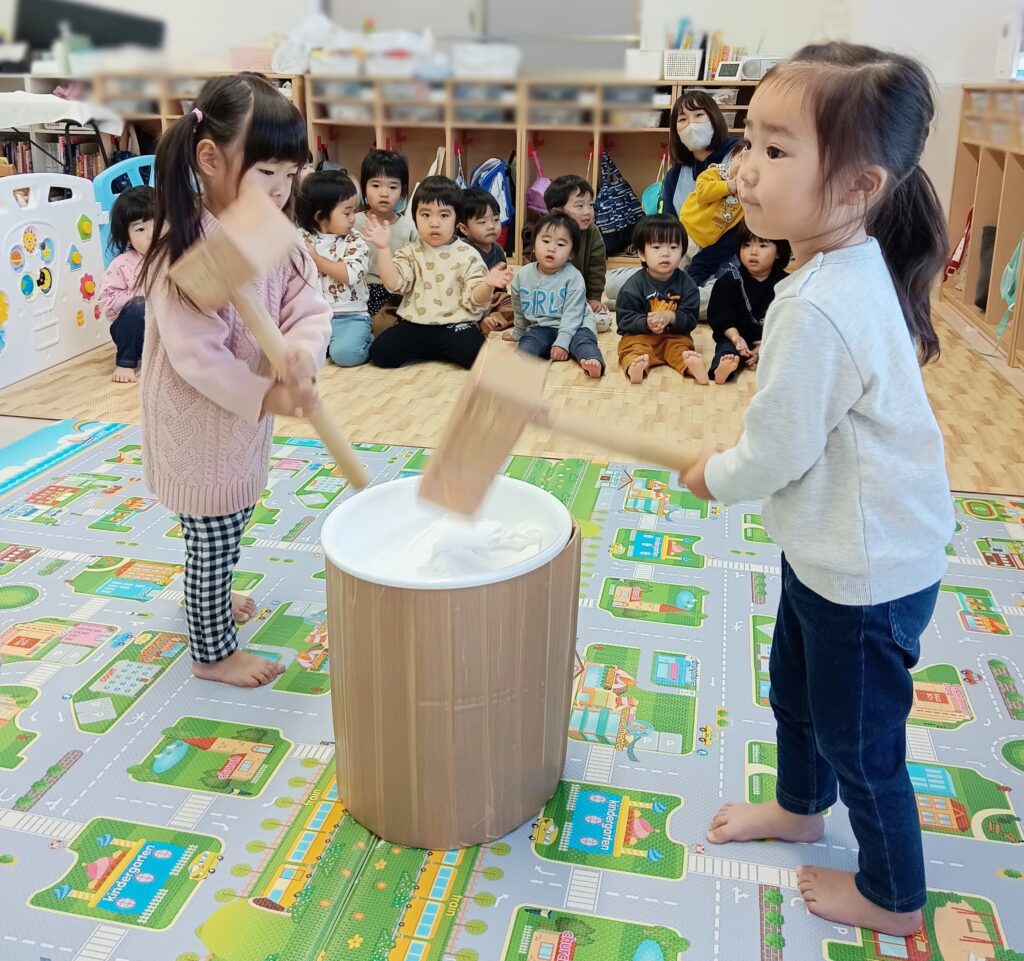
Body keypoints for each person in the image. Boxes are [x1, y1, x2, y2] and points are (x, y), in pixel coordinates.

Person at [682, 44, 954, 936]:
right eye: (748, 140)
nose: (743, 167)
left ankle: (894, 895)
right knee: (793, 691)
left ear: (856, 185)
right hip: (832, 547)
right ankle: (801, 808)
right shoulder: (835, 266)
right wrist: (752, 445)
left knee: (864, 744)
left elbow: (778, 455)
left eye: (775, 149)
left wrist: (717, 474)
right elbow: (797, 427)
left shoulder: (817, 303)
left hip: (869, 572)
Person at [139, 73, 331, 689]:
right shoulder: (185, 251)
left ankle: (211, 601)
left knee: (228, 522)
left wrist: (300, 353)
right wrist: (267, 394)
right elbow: (198, 359)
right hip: (200, 425)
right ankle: (212, 650)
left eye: (289, 173)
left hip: (241, 423)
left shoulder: (277, 234)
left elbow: (307, 304)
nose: (281, 189)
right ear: (210, 157)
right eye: (266, 171)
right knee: (214, 534)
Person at [362, 176, 512, 369]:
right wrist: (382, 249)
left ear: (457, 220)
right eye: (425, 215)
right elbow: (393, 283)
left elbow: (476, 298)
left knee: (478, 357)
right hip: (415, 325)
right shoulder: (410, 251)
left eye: (444, 215)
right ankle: (430, 350)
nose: (434, 223)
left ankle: (450, 347)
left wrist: (488, 284)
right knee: (381, 354)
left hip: (455, 325)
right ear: (414, 217)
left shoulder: (467, 254)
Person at [503, 211, 604, 378]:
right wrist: (519, 333)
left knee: (584, 342)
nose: (551, 248)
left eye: (561, 244)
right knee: (529, 341)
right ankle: (519, 361)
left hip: (577, 325)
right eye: (546, 241)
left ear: (571, 254)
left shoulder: (573, 277)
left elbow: (573, 314)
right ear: (534, 246)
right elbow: (519, 308)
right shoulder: (523, 275)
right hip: (543, 326)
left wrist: (563, 343)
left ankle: (594, 362)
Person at [614, 214, 706, 385]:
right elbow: (624, 320)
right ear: (641, 254)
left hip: (673, 336)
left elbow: (691, 319)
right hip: (641, 336)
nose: (665, 253)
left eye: (673, 247)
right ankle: (635, 368)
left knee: (681, 348)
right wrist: (645, 323)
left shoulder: (687, 285)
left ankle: (691, 366)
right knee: (631, 348)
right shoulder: (633, 286)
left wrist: (672, 317)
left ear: (682, 252)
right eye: (656, 247)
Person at [296, 170, 372, 367]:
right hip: (311, 317)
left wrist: (317, 259)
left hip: (350, 316)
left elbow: (352, 273)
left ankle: (367, 341)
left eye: (354, 211)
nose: (353, 218)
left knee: (345, 355)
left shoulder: (354, 239)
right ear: (320, 217)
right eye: (347, 212)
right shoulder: (300, 238)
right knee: (299, 358)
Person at [707, 224, 791, 384]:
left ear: (779, 252)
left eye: (763, 245)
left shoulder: (787, 284)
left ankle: (775, 372)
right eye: (746, 245)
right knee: (726, 349)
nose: (753, 252)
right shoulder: (729, 281)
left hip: (773, 339)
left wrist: (766, 344)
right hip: (738, 335)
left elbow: (790, 321)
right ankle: (722, 368)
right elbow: (720, 314)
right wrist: (736, 337)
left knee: (786, 351)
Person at [98, 185, 155, 383]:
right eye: (140, 229)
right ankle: (126, 362)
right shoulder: (122, 264)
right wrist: (143, 297)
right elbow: (108, 301)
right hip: (133, 331)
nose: (151, 234)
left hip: (166, 332)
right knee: (139, 306)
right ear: (126, 236)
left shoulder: (175, 257)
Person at [354, 149, 418, 323]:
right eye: (376, 185)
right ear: (364, 189)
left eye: (392, 186)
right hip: (357, 292)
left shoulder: (409, 228)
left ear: (403, 192)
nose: (384, 193)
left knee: (385, 327)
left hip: (394, 296)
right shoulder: (353, 223)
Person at [542, 174, 611, 331]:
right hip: (550, 297)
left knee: (600, 323)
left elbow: (597, 268)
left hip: (581, 297)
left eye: (591, 205)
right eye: (580, 206)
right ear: (557, 211)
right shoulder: (547, 232)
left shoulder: (592, 232)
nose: (588, 212)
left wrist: (594, 298)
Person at [680, 143, 745, 286]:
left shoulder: (746, 192)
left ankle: (686, 294)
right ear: (732, 157)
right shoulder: (716, 172)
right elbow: (702, 192)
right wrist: (727, 186)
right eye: (742, 159)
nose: (744, 167)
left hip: (708, 244)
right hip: (687, 232)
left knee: (696, 274)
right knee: (674, 269)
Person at [458, 186, 514, 333]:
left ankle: (492, 320)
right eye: (482, 222)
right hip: (468, 299)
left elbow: (501, 290)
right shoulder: (462, 250)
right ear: (464, 229)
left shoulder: (498, 250)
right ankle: (477, 323)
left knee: (517, 304)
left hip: (491, 300)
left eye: (495, 219)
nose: (491, 226)